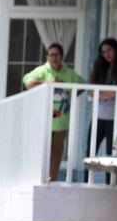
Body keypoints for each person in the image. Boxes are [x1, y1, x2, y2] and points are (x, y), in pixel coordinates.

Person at [22, 43, 86, 182]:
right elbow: (28, 82)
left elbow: (82, 85)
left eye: (57, 55)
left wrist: (69, 93)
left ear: (61, 57)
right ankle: (38, 178)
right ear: (47, 57)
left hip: (61, 121)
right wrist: (48, 83)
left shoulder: (68, 73)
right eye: (51, 55)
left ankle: (53, 179)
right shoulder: (43, 71)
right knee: (42, 152)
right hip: (44, 119)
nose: (54, 58)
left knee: (56, 154)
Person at [89, 38, 117, 157]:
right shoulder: (100, 69)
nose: (107, 54)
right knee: (90, 151)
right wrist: (107, 94)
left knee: (111, 154)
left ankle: (109, 177)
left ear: (116, 49)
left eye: (109, 50)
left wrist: (102, 93)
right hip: (98, 116)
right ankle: (86, 176)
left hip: (114, 117)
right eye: (103, 52)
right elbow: (92, 93)